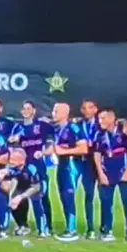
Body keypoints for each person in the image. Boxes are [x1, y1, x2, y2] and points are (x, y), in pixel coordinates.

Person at [9, 101, 54, 236]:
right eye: (24, 109)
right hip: (21, 169)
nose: (26, 111)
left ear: (34, 111)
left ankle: (46, 226)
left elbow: (51, 145)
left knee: (40, 196)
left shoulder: (42, 125)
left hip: (38, 167)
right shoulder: (17, 127)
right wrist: (13, 140)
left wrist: (43, 153)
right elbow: (10, 144)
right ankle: (22, 225)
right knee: (18, 194)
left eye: (29, 108)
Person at [93, 108, 127, 242]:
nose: (100, 121)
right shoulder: (99, 135)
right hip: (107, 173)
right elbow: (97, 155)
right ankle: (107, 230)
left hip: (123, 173)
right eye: (99, 119)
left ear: (112, 118)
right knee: (106, 202)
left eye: (103, 118)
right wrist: (100, 173)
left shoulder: (124, 132)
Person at [52, 102, 88, 242]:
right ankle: (68, 226)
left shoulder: (74, 128)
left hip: (72, 165)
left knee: (68, 195)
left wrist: (63, 151)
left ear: (65, 113)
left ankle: (72, 230)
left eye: (56, 111)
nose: (53, 113)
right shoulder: (56, 129)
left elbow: (84, 148)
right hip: (61, 165)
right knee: (62, 196)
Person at [0, 148, 44, 238]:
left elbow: (36, 187)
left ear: (22, 160)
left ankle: (43, 230)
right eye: (11, 158)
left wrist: (21, 197)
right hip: (22, 187)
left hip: (36, 187)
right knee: (11, 199)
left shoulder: (31, 168)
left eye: (13, 159)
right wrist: (0, 178)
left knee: (37, 201)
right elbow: (7, 184)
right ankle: (22, 225)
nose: (11, 161)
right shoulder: (12, 169)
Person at [78, 99, 100, 238]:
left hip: (103, 163)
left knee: (105, 196)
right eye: (84, 108)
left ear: (95, 109)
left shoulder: (102, 123)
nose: (87, 110)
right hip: (86, 163)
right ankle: (90, 228)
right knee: (89, 195)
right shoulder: (78, 125)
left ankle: (105, 228)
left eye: (90, 107)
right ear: (81, 110)